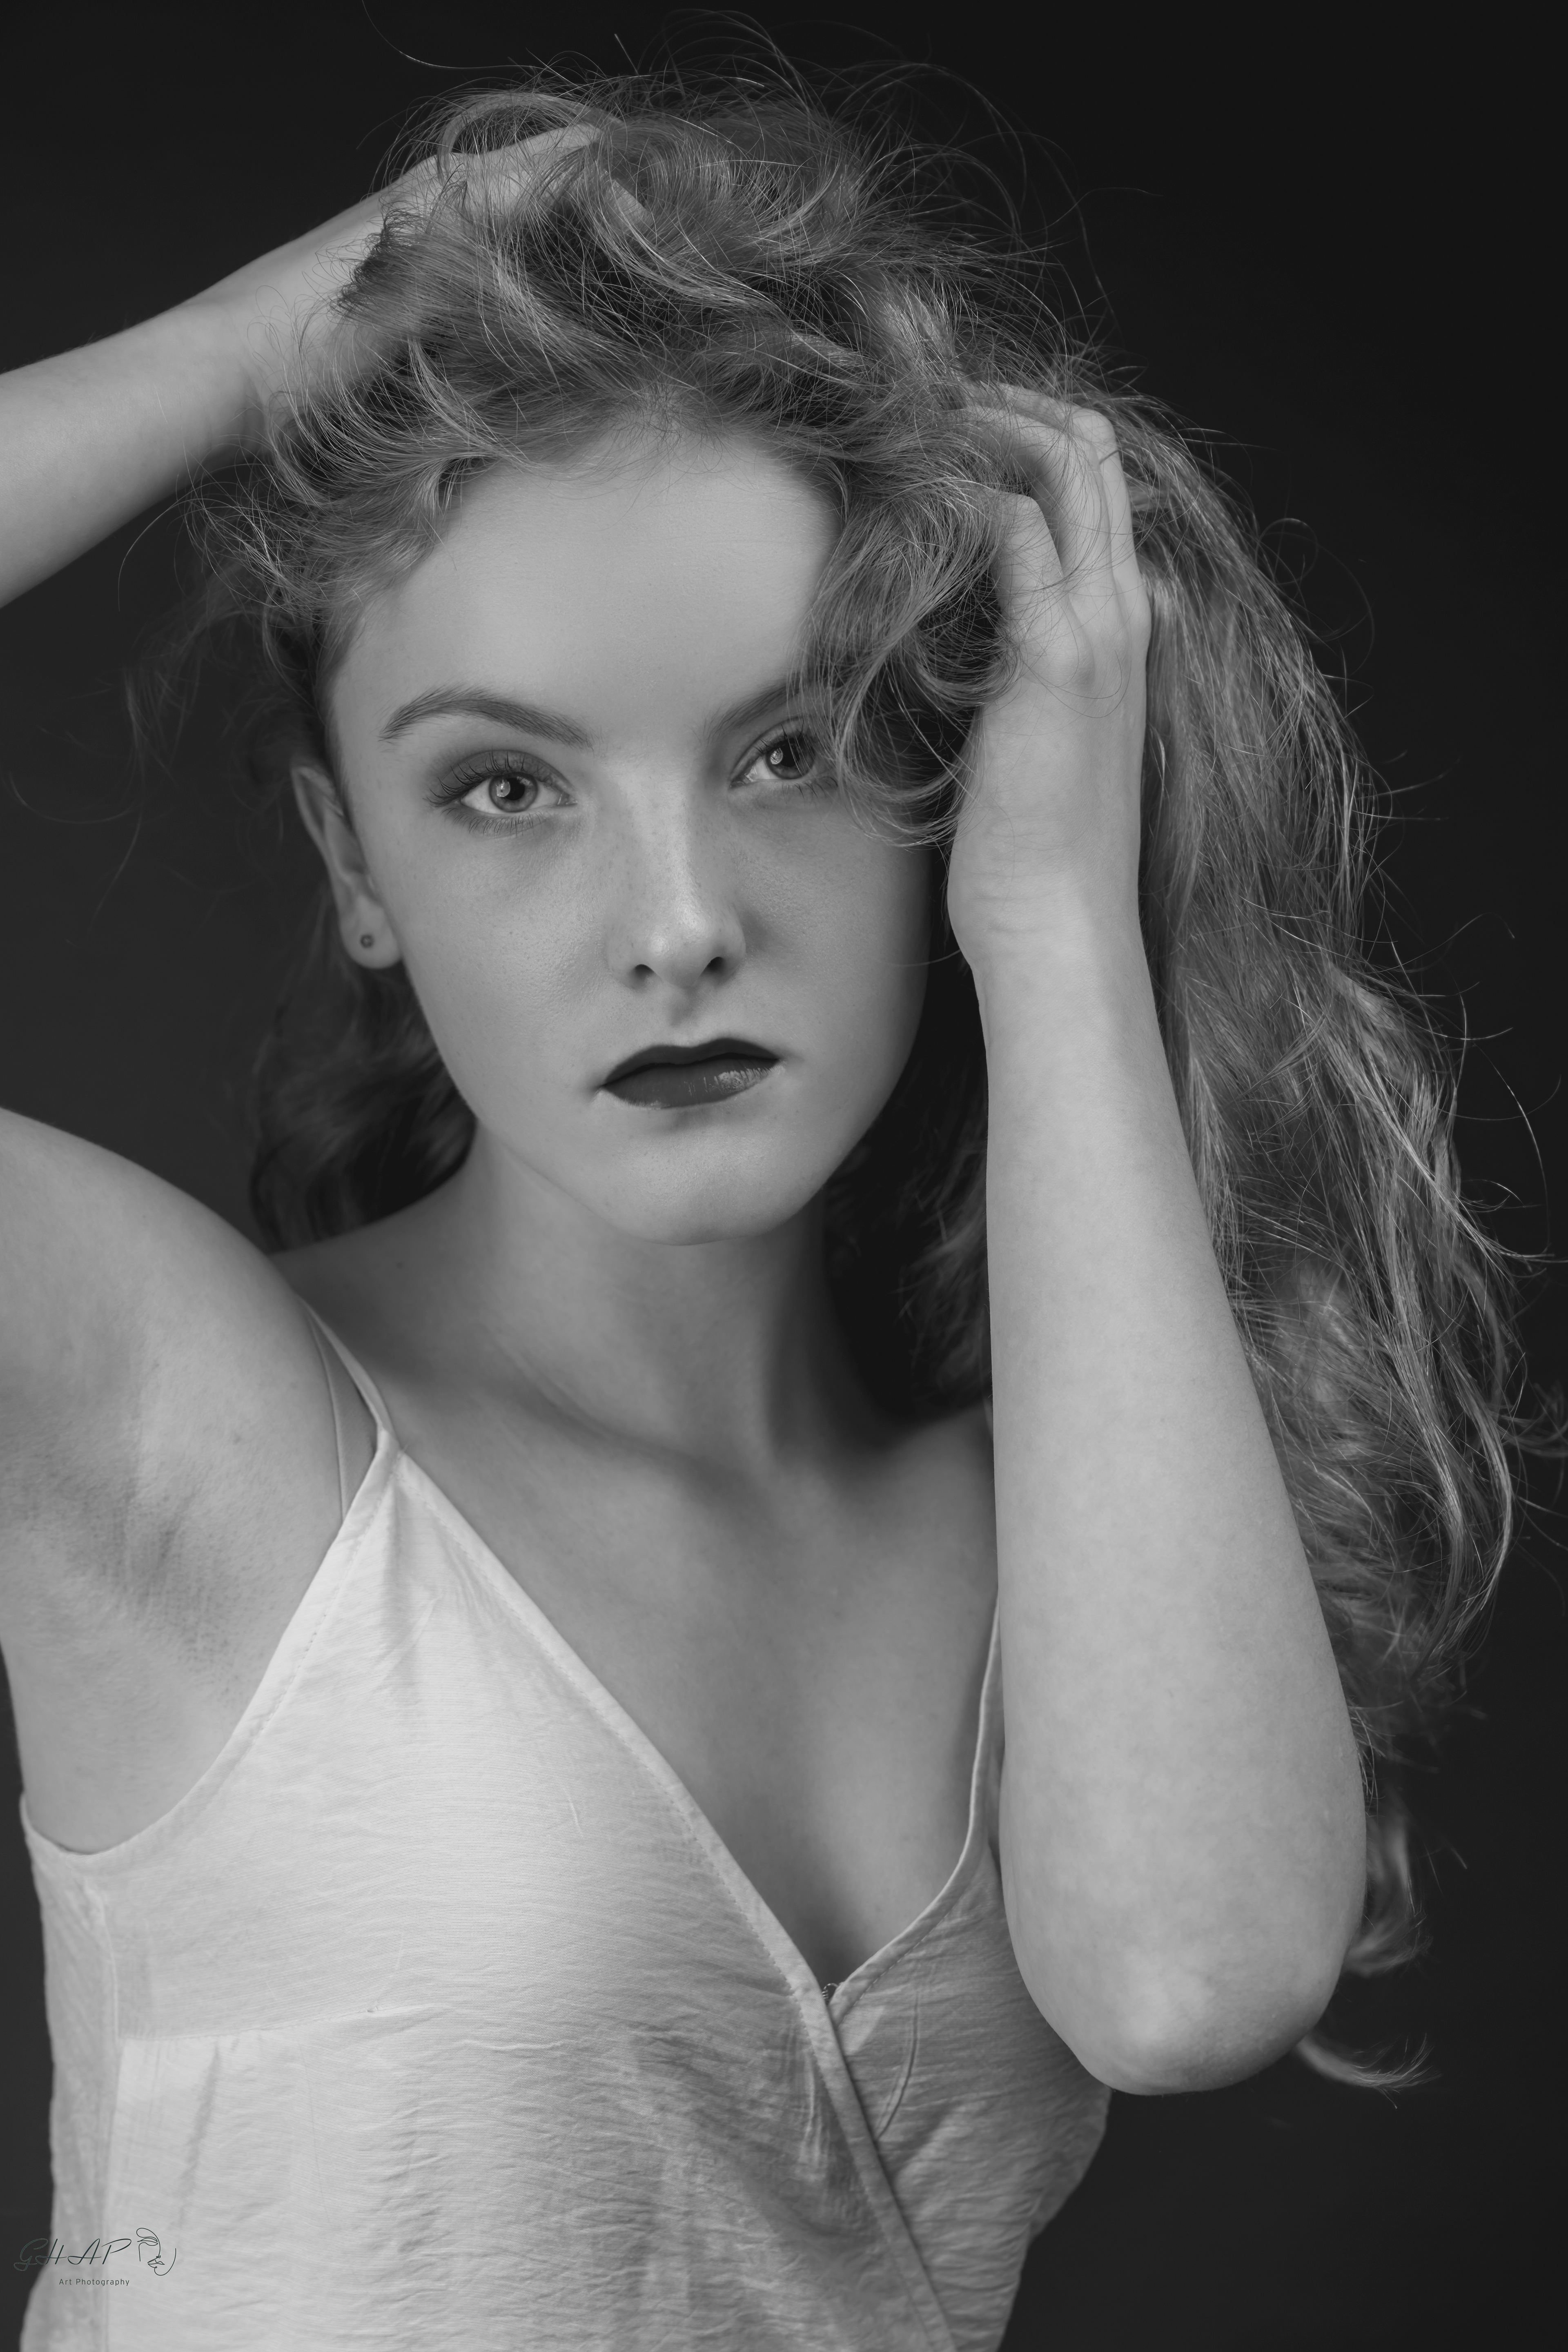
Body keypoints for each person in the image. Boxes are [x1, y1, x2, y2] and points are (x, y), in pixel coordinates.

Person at [0, 65, 1530, 2352]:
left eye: (794, 749)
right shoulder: (181, 1416)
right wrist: (245, 351)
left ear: (954, 765)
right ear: (351, 864)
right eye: (506, 787)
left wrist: (1054, 924)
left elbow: (1191, 1978)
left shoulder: (1055, 1496)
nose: (681, 921)